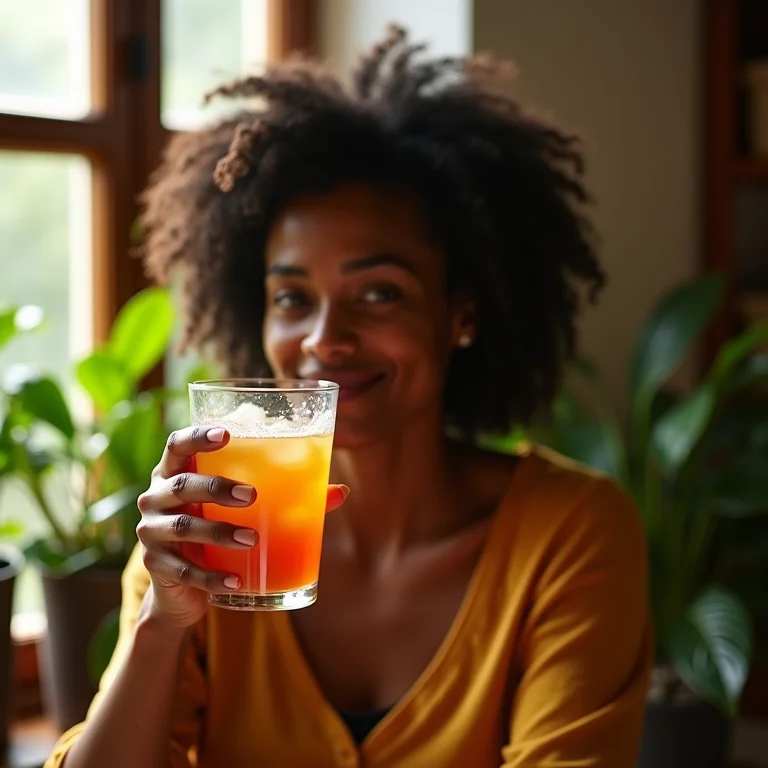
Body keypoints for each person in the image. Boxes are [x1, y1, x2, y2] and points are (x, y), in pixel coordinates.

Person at [46, 26, 651, 768]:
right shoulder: (208, 533)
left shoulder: (568, 534)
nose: (325, 339)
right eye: (292, 298)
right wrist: (159, 626)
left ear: (460, 312)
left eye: (378, 293)